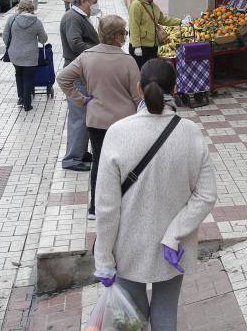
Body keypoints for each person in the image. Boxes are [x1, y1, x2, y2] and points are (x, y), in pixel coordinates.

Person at [94, 59, 217, 331]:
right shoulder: (191, 134)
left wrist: (103, 258)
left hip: (126, 247)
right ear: (175, 87)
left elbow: (106, 206)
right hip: (172, 249)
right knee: (165, 315)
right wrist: (174, 233)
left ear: (139, 88)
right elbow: (207, 195)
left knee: (131, 320)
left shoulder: (117, 133)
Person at [57, 15, 141, 218]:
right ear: (116, 36)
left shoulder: (86, 56)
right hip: (125, 122)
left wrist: (83, 100)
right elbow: (138, 95)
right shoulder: (127, 60)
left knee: (100, 163)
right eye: (124, 32)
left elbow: (62, 78)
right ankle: (125, 205)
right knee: (126, 164)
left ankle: (95, 207)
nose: (125, 36)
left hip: (96, 120)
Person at [59, 0, 100, 171]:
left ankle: (81, 152)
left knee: (84, 114)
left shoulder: (78, 17)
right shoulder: (72, 18)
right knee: (79, 116)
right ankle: (72, 159)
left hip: (82, 71)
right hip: (76, 73)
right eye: (93, 1)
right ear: (83, 1)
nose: (95, 5)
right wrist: (97, 51)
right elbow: (75, 43)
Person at [2, 0, 48, 112]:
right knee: (29, 76)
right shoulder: (37, 22)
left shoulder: (12, 19)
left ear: (20, 7)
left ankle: (21, 98)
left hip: (15, 54)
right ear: (31, 8)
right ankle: (27, 104)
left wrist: (12, 45)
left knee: (18, 74)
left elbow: (5, 36)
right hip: (30, 54)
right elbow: (43, 39)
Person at [128, 0, 182, 69]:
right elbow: (134, 27)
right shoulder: (136, 5)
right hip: (141, 47)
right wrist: (137, 46)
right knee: (141, 72)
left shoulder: (152, 5)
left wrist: (180, 21)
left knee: (151, 71)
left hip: (153, 46)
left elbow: (163, 19)